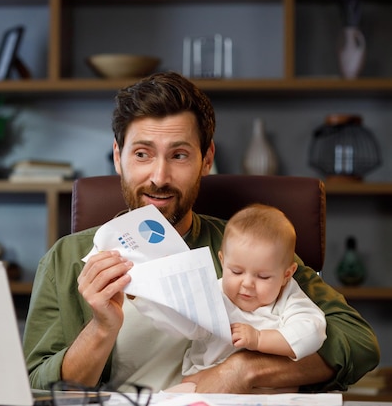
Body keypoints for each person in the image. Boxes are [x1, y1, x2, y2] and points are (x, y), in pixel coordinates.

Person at [22, 71, 380, 393]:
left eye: (178, 156)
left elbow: (358, 343)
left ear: (206, 160)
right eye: (143, 154)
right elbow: (37, 385)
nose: (159, 177)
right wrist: (100, 328)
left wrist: (242, 371)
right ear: (118, 157)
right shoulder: (66, 259)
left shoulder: (247, 248)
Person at [170, 204, 327, 392]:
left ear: (287, 274)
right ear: (222, 261)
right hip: (202, 381)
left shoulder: (288, 297)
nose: (247, 284)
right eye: (236, 271)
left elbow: (313, 331)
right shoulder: (214, 294)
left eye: (263, 277)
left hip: (269, 390)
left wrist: (260, 339)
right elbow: (187, 327)